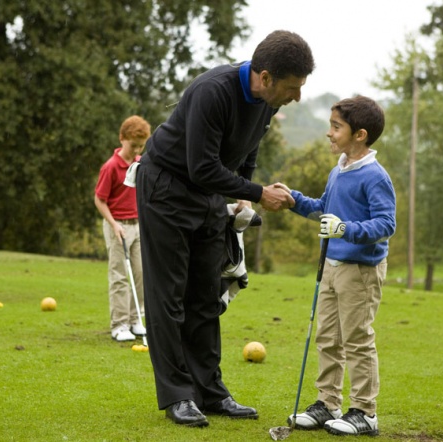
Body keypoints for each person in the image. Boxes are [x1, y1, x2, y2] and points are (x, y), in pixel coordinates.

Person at [135, 29, 314, 428]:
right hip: (166, 187)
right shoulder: (212, 91)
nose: (297, 96)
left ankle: (210, 392)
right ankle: (178, 396)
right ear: (265, 77)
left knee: (206, 292)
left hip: (209, 195)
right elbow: (200, 166)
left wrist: (245, 195)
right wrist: (257, 191)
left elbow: (249, 147)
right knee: (169, 296)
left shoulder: (267, 102)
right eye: (293, 87)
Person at [286, 96, 396, 437]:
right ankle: (328, 403)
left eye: (336, 127)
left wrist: (346, 229)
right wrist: (293, 199)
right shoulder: (340, 169)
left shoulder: (375, 176)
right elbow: (325, 208)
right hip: (332, 265)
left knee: (357, 340)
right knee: (328, 337)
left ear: (359, 134)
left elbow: (385, 223)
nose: (329, 134)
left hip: (360, 270)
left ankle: (365, 412)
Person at [95, 115, 151, 342]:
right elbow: (99, 200)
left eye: (140, 146)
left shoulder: (140, 164)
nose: (136, 150)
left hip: (138, 225)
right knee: (119, 276)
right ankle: (119, 324)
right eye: (133, 145)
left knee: (140, 274)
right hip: (116, 226)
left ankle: (135, 319)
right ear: (122, 139)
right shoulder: (111, 167)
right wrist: (114, 224)